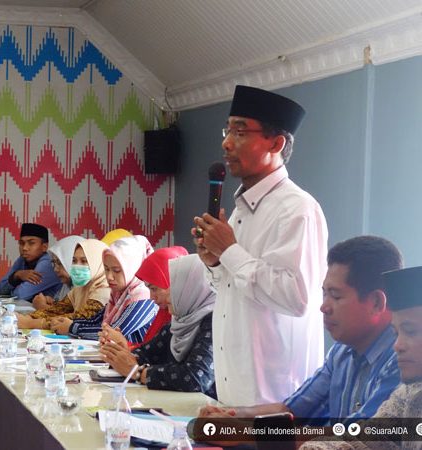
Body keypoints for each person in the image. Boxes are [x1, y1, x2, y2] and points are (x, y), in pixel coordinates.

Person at [192, 85, 328, 406]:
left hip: (275, 398)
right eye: (227, 130)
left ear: (276, 143)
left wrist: (230, 252)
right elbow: (233, 288)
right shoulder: (241, 209)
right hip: (233, 391)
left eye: (240, 132)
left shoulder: (297, 209)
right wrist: (216, 262)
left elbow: (297, 297)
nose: (226, 143)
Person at [199, 236, 403, 434]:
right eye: (324, 294)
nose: (324, 307)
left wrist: (244, 431)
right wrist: (229, 415)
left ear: (376, 302)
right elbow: (292, 411)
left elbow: (354, 437)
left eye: (336, 296)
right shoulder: (341, 352)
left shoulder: (403, 360)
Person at [300, 265, 422, 450]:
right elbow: (361, 439)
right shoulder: (407, 395)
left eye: (410, 331)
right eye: (396, 333)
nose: (397, 345)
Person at [101, 254, 216, 396]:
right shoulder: (178, 321)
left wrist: (138, 372)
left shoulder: (214, 322)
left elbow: (195, 378)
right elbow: (145, 354)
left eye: (172, 287)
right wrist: (119, 355)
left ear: (189, 288)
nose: (152, 297)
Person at [51, 235, 157, 343]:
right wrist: (65, 322)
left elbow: (114, 332)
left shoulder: (143, 296)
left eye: (116, 270)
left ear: (133, 268)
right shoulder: (118, 294)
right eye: (106, 269)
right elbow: (95, 320)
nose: (109, 277)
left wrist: (71, 328)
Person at [101, 245, 189, 349]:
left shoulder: (141, 298)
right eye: (106, 269)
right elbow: (149, 350)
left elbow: (153, 354)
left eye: (154, 289)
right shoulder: (165, 312)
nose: (151, 297)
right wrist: (124, 345)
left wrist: (125, 347)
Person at [16, 239, 110, 329]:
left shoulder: (104, 290)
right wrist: (26, 317)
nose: (77, 266)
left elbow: (80, 319)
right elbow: (57, 310)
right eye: (74, 261)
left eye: (84, 261)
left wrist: (32, 323)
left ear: (98, 263)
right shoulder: (80, 287)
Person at [0, 223, 61, 302]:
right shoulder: (22, 259)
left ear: (44, 247)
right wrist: (16, 275)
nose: (24, 248)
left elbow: (19, 295)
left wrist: (9, 291)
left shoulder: (49, 264)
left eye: (31, 243)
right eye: (21, 243)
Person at [32, 235, 84, 311]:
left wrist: (42, 306)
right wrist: (54, 303)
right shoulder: (67, 285)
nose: (55, 269)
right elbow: (64, 310)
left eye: (60, 263)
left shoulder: (89, 288)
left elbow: (75, 317)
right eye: (54, 263)